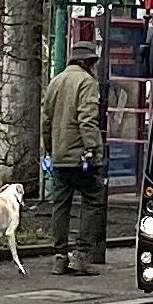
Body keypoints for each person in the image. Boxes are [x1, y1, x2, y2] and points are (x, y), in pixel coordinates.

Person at [41, 38, 105, 275]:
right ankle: (81, 254)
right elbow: (87, 120)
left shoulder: (55, 82)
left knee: (61, 205)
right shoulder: (87, 83)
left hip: (59, 155)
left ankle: (59, 256)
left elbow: (46, 121)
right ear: (87, 62)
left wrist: (49, 150)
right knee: (94, 200)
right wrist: (93, 150)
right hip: (81, 157)